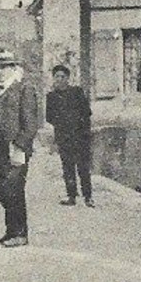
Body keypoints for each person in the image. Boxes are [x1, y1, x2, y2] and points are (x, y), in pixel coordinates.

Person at [0, 49, 41, 247]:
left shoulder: (23, 90)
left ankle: (20, 234)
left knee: (14, 190)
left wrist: (20, 147)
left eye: (3, 67)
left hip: (16, 149)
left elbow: (31, 123)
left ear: (13, 69)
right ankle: (10, 232)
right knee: (3, 192)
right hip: (0, 150)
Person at [45, 63, 94, 208]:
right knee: (67, 167)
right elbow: (49, 117)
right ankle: (71, 196)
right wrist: (62, 125)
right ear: (53, 78)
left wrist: (80, 127)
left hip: (80, 136)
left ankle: (88, 197)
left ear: (68, 79)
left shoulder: (77, 92)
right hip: (64, 137)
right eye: (57, 77)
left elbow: (87, 112)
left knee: (83, 167)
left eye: (62, 76)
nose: (59, 79)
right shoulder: (51, 97)